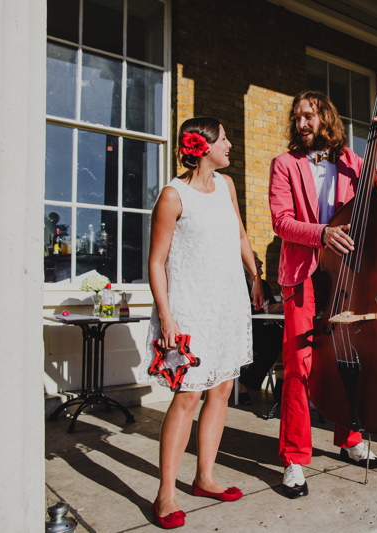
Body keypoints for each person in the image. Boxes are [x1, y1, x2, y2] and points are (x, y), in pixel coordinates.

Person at [268, 89, 377, 499]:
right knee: (299, 365)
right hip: (303, 277)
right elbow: (281, 221)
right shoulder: (285, 164)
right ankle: (295, 458)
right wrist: (323, 234)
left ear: (325, 117)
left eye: (308, 115)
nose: (301, 123)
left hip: (348, 277)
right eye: (297, 117)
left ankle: (350, 440)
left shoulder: (352, 163)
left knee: (350, 356)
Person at [141, 117, 264, 529]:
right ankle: (165, 493)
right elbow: (156, 262)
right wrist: (166, 316)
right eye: (224, 138)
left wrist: (255, 276)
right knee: (188, 396)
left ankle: (204, 477)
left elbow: (240, 235)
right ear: (203, 146)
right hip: (190, 309)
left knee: (222, 389)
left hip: (227, 305)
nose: (230, 144)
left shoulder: (227, 186)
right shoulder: (173, 196)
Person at [237, 252, 284, 405]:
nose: (261, 263)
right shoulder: (238, 285)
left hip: (267, 328)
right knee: (272, 347)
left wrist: (277, 308)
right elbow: (240, 311)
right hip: (247, 331)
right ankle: (244, 383)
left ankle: (281, 384)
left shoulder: (263, 284)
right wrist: (267, 310)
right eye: (256, 260)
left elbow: (270, 306)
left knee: (288, 341)